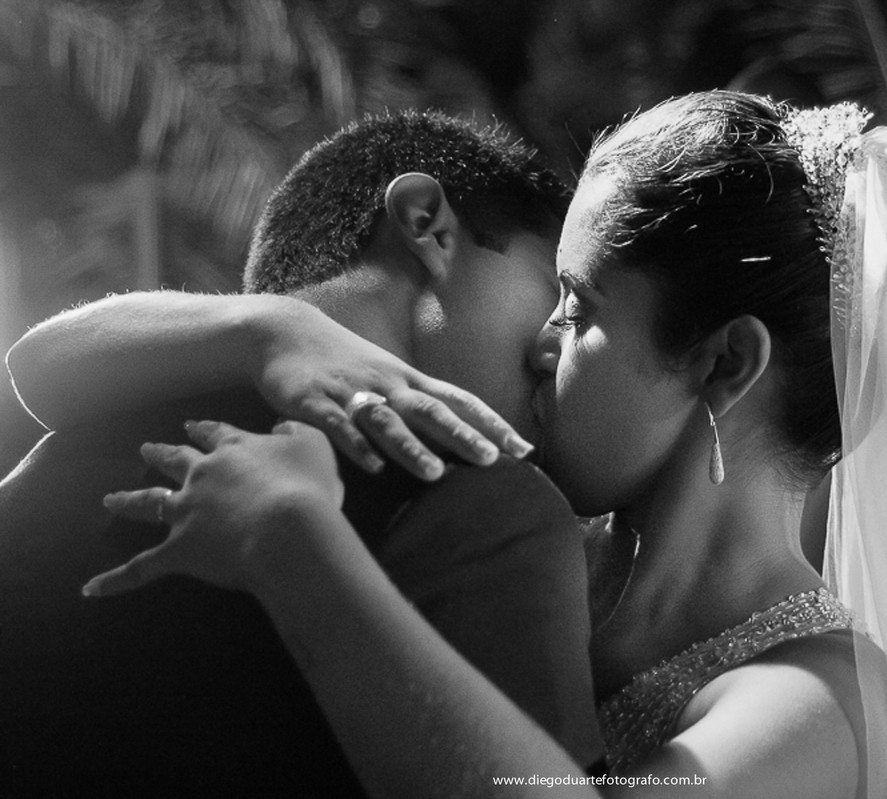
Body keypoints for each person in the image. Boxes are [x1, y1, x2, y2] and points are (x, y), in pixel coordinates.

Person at [12, 91, 887, 797]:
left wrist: (296, 546)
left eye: (582, 303)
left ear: (724, 364)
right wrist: (277, 325)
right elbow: (48, 367)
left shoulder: (825, 699)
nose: (545, 339)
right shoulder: (530, 521)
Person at [0, 110, 603, 795]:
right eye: (556, 292)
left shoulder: (54, 459)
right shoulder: (481, 505)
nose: (557, 345)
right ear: (427, 224)